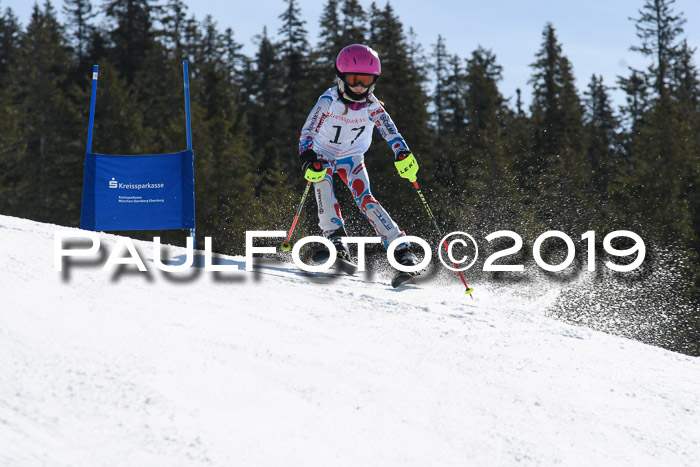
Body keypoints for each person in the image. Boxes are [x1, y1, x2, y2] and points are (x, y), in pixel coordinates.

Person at [298, 44, 420, 268]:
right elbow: (308, 131)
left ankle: (401, 249)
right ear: (341, 77)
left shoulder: (373, 106)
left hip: (352, 157)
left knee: (366, 200)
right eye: (354, 79)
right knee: (321, 181)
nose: (359, 87)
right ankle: (335, 240)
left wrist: (402, 152)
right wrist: (307, 155)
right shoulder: (328, 101)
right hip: (323, 154)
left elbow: (390, 131)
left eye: (365, 81)